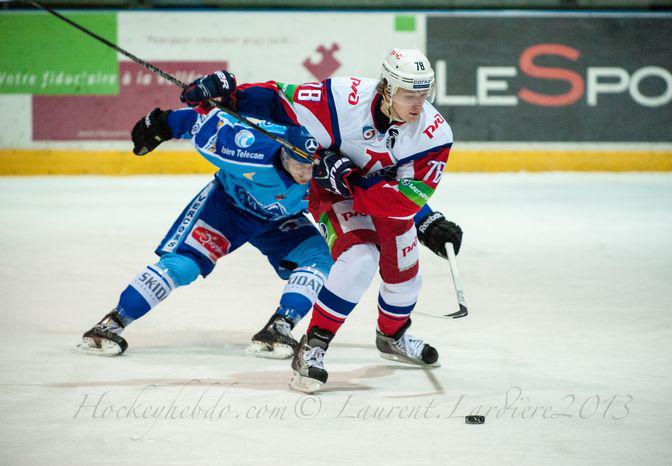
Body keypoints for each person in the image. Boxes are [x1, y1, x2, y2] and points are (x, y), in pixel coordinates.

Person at [179, 49, 463, 393]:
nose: (418, 104)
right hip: (336, 195)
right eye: (408, 94)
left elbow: (403, 200)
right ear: (386, 88)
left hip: (380, 198)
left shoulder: (435, 133)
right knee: (360, 259)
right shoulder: (345, 97)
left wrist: (418, 215)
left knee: (405, 275)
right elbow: (279, 101)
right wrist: (233, 97)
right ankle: (312, 347)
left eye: (424, 94)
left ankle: (393, 335)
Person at [77, 92, 333, 359]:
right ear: (284, 150)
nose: (306, 174)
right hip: (227, 208)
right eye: (299, 163)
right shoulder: (248, 148)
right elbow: (205, 122)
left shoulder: (327, 172)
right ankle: (111, 324)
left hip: (281, 219)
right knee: (183, 266)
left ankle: (279, 327)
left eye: (312, 166)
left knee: (320, 259)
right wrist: (164, 123)